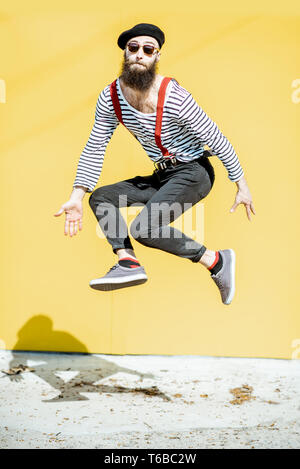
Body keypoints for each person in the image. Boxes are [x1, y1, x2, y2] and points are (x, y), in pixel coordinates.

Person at [54, 23, 255, 305]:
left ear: (156, 57)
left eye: (148, 50)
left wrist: (241, 184)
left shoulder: (174, 98)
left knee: (144, 229)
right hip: (163, 175)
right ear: (125, 53)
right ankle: (127, 262)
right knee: (101, 198)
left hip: (194, 172)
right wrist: (76, 195)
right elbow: (96, 145)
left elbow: (215, 138)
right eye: (133, 48)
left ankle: (215, 260)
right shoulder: (110, 98)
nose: (139, 54)